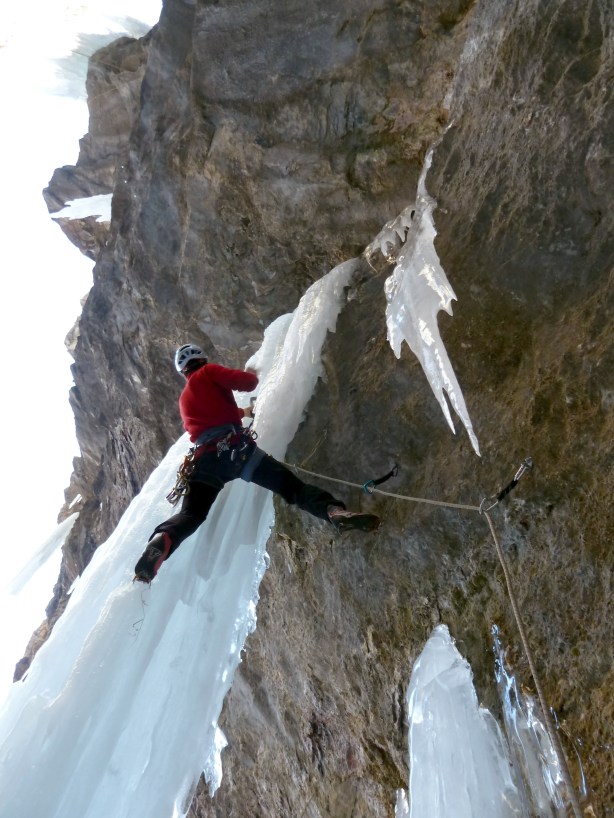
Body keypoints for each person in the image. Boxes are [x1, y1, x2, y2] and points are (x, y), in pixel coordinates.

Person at [134, 343, 380, 582]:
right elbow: (248, 383)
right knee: (293, 489)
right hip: (237, 454)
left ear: (183, 370)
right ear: (201, 359)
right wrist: (252, 372)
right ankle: (333, 512)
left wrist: (244, 413)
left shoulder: (185, 398)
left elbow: (212, 416)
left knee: (191, 513)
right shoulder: (208, 372)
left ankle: (162, 539)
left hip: (205, 462)